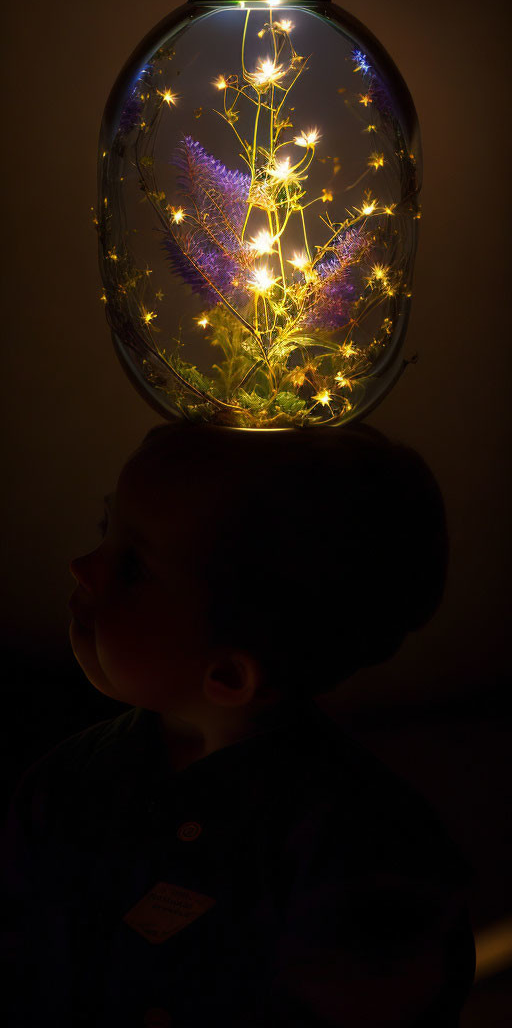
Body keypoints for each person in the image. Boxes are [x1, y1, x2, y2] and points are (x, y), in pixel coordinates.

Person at [2, 419, 476, 1027]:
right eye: (105, 529)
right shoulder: (61, 787)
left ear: (228, 675)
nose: (81, 567)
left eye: (133, 567)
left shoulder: (366, 846)